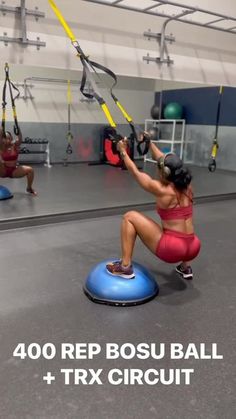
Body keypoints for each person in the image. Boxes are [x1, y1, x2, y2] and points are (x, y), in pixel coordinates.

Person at [106, 137, 201, 280]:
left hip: (173, 249)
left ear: (165, 173)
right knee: (183, 227)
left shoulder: (162, 190)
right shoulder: (187, 186)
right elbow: (163, 160)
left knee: (130, 216)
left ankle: (125, 267)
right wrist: (149, 142)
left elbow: (135, 172)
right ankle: (185, 267)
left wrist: (122, 152)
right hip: (193, 247)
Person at [0, 127, 37, 195]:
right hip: (3, 171)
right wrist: (1, 131)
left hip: (14, 171)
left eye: (9, 138)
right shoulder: (1, 147)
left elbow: (19, 139)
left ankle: (29, 188)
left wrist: (18, 129)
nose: (8, 140)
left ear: (11, 138)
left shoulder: (15, 145)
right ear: (3, 139)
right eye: (6, 138)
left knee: (30, 170)